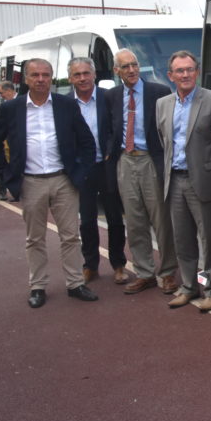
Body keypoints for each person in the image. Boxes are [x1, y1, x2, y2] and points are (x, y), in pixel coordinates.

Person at [0, 58, 98, 308]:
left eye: (45, 75)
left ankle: (75, 283)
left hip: (63, 180)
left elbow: (87, 143)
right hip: (31, 182)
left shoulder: (66, 105)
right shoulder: (11, 108)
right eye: (35, 75)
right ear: (26, 79)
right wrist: (6, 175)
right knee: (34, 239)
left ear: (51, 78)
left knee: (71, 236)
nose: (40, 80)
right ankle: (37, 286)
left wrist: (81, 173)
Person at [156, 51, 211, 312]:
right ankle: (188, 287)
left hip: (203, 180)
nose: (185, 74)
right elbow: (164, 140)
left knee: (209, 240)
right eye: (180, 70)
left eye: (190, 69)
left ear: (197, 71)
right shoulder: (162, 104)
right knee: (182, 238)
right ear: (170, 75)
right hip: (174, 179)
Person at [105, 49, 178, 296]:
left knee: (161, 220)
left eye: (134, 65)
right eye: (125, 67)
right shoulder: (112, 96)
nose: (132, 70)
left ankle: (168, 272)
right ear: (116, 71)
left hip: (151, 161)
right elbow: (109, 128)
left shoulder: (159, 92)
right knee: (135, 221)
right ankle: (145, 273)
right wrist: (110, 152)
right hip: (125, 161)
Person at [68, 58, 128, 285]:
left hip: (107, 166)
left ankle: (119, 264)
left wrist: (111, 149)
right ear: (71, 78)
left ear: (94, 75)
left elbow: (116, 127)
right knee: (87, 221)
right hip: (83, 169)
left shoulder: (108, 97)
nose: (82, 78)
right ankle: (90, 265)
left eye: (86, 73)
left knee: (115, 218)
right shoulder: (65, 103)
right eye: (77, 74)